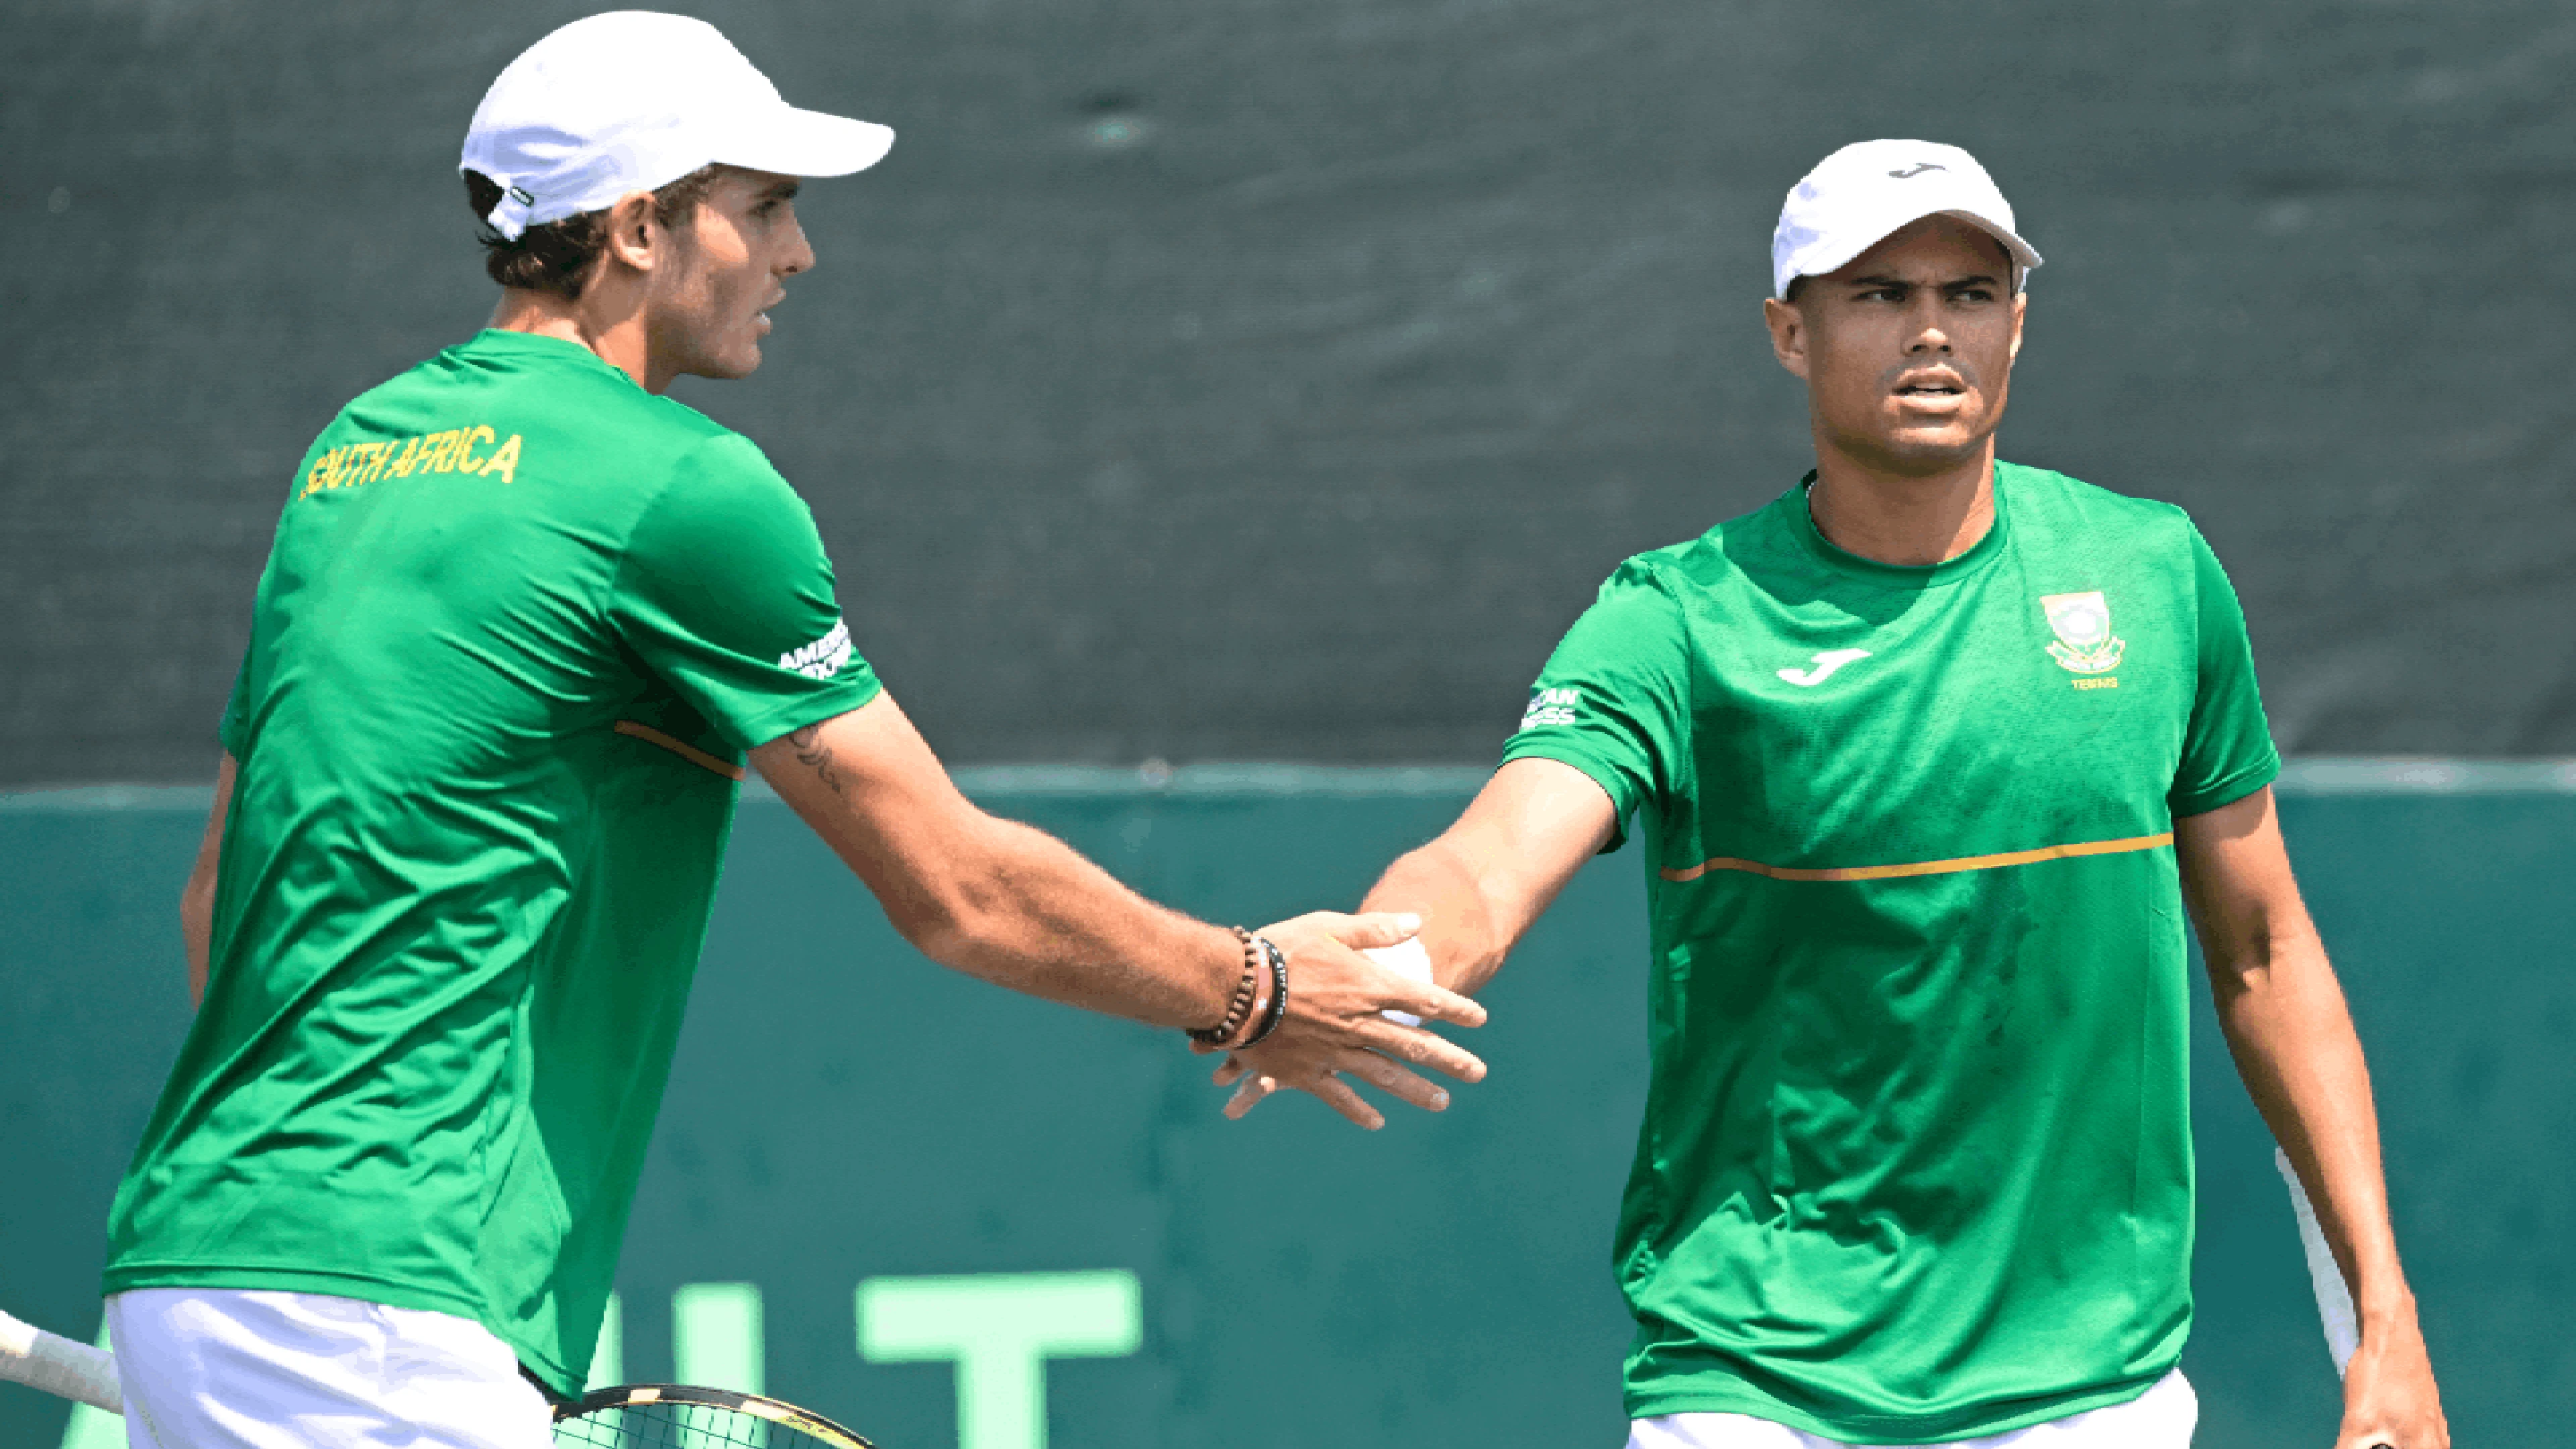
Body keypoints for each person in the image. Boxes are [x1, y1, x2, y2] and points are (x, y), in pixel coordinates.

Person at [95, 14, 1485, 1448]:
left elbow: (225, 902)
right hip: (388, 1307)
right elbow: (956, 891)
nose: (797, 254)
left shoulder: (354, 457)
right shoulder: (681, 487)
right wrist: (1252, 987)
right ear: (639, 227)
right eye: (761, 208)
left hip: (197, 1260)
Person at [1214, 140, 2448, 1448]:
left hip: (2093, 1397)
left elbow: (2263, 952)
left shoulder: (2156, 575)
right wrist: (1381, 957)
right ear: (1788, 333)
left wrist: (2387, 1317)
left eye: (1969, 293)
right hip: (1758, 1388)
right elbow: (1490, 861)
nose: (1930, 332)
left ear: (2018, 325)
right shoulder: (1676, 621)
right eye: (1875, 295)